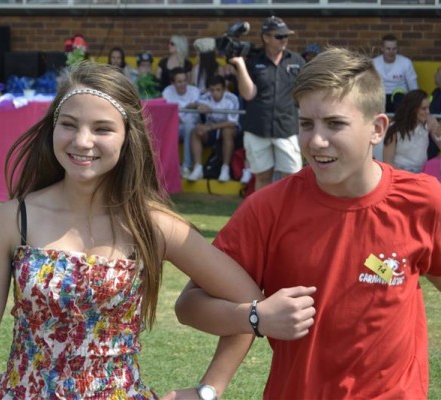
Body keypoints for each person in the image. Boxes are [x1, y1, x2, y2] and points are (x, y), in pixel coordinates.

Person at [0, 61, 267, 399]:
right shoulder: (11, 221)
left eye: (102, 129)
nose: (82, 141)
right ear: (52, 128)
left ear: (127, 136)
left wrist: (208, 390)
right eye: (69, 124)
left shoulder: (151, 225)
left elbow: (251, 303)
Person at [167, 47, 441, 400]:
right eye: (306, 124)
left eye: (335, 124)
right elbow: (189, 306)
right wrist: (256, 317)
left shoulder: (422, 200)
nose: (317, 140)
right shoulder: (268, 208)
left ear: (377, 129)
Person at [228, 15, 304, 191]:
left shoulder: (297, 61)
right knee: (262, 177)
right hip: (257, 127)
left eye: (286, 36)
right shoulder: (253, 60)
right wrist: (240, 66)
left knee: (292, 177)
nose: (284, 40)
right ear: (266, 38)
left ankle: (288, 209)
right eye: (279, 36)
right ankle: (264, 209)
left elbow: (306, 91)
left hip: (286, 128)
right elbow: (248, 94)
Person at [186, 75, 240, 182]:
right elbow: (188, 106)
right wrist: (197, 106)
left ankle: (225, 169)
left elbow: (232, 123)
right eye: (212, 90)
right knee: (196, 131)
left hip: (227, 129)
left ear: (224, 89)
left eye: (218, 90)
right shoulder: (205, 97)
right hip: (210, 130)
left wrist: (210, 126)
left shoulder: (232, 99)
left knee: (227, 132)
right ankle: (198, 167)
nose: (215, 93)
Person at [383, 89, 441, 173]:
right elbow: (387, 162)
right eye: (424, 108)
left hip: (422, 173)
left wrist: (438, 131)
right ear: (412, 109)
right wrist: (410, 176)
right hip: (399, 174)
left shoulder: (427, 124)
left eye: (428, 108)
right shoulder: (394, 128)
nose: (428, 112)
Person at [162, 67, 200, 178]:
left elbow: (194, 115)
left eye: (184, 80)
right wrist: (187, 108)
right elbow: (170, 115)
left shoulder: (194, 91)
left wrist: (180, 114)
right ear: (173, 83)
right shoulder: (167, 92)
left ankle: (186, 166)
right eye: (179, 81)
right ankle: (173, 167)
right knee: (169, 129)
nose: (183, 84)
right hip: (175, 126)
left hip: (191, 126)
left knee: (188, 124)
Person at [372, 33, 418, 113]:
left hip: (400, 98)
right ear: (382, 49)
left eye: (394, 49)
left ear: (397, 49)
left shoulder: (406, 62)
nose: (391, 52)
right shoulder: (374, 63)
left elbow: (414, 88)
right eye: (388, 49)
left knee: (398, 97)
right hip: (381, 98)